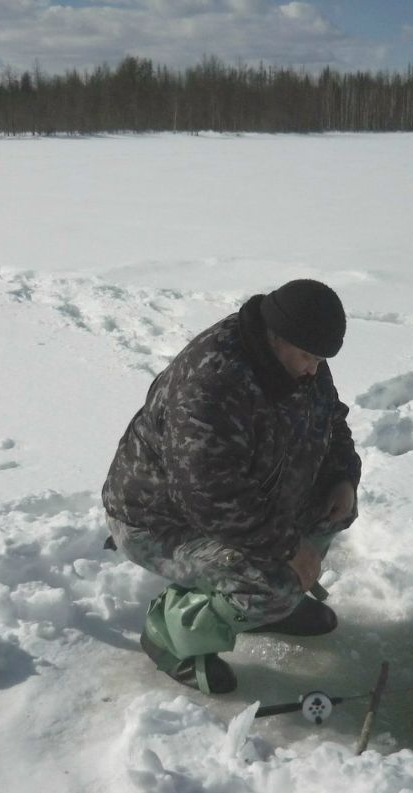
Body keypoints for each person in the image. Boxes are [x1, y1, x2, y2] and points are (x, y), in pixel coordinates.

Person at [102, 279, 361, 694]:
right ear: (277, 337)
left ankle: (269, 608)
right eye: (308, 356)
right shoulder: (211, 386)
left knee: (334, 508)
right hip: (162, 521)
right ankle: (169, 633)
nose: (314, 368)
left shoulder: (298, 360)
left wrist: (343, 477)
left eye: (320, 358)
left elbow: (332, 421)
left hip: (249, 501)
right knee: (271, 581)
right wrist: (288, 550)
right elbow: (212, 500)